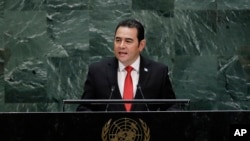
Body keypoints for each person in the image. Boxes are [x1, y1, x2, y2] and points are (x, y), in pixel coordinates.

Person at [76, 19, 176, 112]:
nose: (121, 46)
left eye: (128, 41)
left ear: (141, 45)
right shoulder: (97, 71)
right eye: (118, 40)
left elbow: (172, 108)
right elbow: (84, 108)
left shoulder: (158, 72)